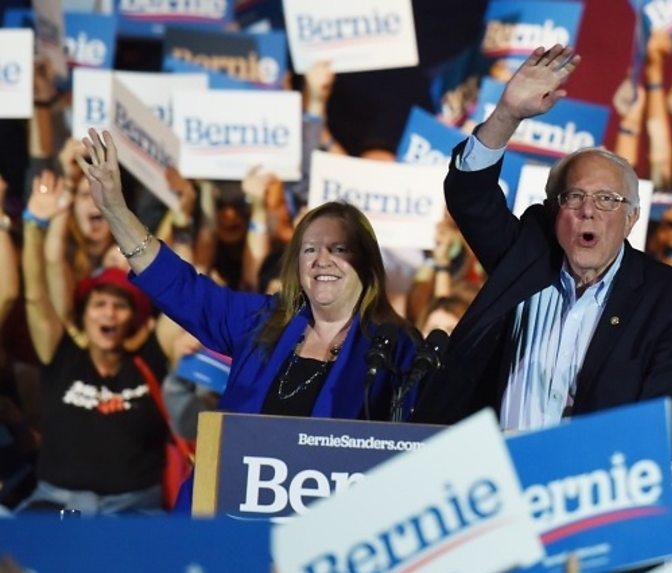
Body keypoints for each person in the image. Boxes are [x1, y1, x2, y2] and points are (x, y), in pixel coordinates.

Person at [74, 129, 417, 508]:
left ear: (367, 263)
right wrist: (116, 211)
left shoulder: (394, 347)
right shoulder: (261, 320)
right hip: (225, 517)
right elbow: (180, 286)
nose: (322, 260)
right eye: (310, 249)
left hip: (317, 534)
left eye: (339, 249)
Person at [412, 45, 672, 448]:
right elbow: (469, 195)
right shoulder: (525, 258)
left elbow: (665, 426)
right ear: (555, 210)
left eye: (608, 199)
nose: (588, 211)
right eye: (574, 198)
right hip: (494, 480)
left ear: (632, 217)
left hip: (587, 490)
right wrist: (507, 115)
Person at [21, 169, 169, 513]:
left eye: (120, 306)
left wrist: (184, 211)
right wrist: (35, 225)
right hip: (55, 505)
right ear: (83, 316)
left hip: (134, 512)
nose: (109, 314)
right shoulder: (61, 354)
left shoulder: (149, 359)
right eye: (99, 304)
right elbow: (35, 296)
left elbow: (182, 290)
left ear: (134, 319)